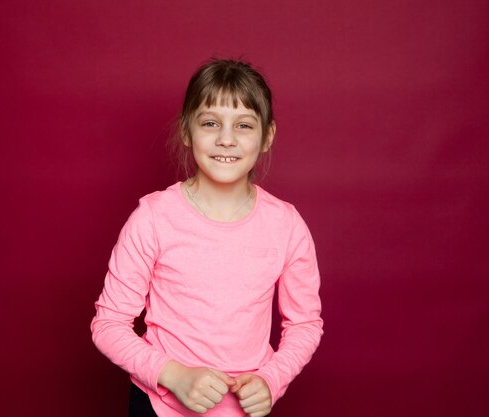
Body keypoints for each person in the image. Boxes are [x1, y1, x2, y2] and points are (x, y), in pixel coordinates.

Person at [91, 58, 323, 417]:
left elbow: (305, 323)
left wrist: (272, 379)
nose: (226, 139)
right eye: (210, 123)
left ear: (267, 136)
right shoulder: (153, 218)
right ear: (187, 131)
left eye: (243, 125)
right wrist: (173, 375)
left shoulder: (286, 225)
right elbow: (108, 325)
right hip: (158, 407)